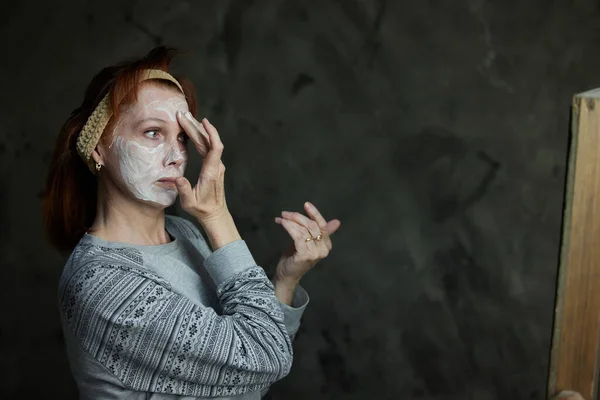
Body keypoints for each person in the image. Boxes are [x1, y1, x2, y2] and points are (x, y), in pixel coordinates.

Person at [43, 46, 341, 399]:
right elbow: (265, 355)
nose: (176, 156)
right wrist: (217, 216)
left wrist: (285, 279)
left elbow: (247, 377)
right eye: (152, 132)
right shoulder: (101, 285)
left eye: (182, 137)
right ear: (97, 148)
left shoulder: (183, 232)